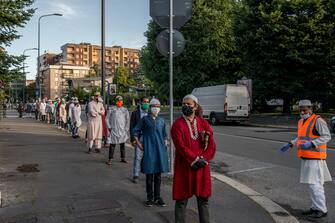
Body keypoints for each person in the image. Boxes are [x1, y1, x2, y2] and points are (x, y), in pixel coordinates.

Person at [280, 100, 332, 219]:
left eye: (305, 109)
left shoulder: (318, 120)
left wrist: (312, 144)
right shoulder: (301, 121)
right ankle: (315, 207)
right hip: (306, 157)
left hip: (315, 158)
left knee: (315, 185)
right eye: (301, 109)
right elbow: (301, 136)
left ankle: (322, 210)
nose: (302, 112)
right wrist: (291, 143)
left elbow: (327, 136)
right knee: (311, 184)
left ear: (311, 109)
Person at [171, 94, 216, 223]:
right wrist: (194, 159)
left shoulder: (203, 123)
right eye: (183, 104)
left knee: (203, 200)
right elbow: (180, 146)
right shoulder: (177, 125)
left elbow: (212, 144)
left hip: (202, 167)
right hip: (184, 166)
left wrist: (204, 159)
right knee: (181, 200)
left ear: (195, 106)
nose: (185, 106)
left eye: (188, 104)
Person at [133, 98, 169, 207]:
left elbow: (164, 135)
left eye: (158, 106)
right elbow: (135, 131)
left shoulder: (161, 121)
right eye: (154, 106)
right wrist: (139, 144)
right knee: (149, 176)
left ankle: (157, 197)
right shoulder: (144, 120)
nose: (156, 108)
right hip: (148, 150)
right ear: (150, 107)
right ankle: (150, 197)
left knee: (158, 176)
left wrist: (165, 143)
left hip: (159, 151)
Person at [130, 97, 150, 183]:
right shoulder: (135, 113)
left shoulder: (150, 113)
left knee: (149, 157)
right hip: (138, 138)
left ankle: (149, 174)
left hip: (148, 138)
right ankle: (136, 175)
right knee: (137, 157)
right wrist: (132, 139)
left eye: (147, 102)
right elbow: (132, 127)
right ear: (141, 103)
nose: (146, 103)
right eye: (144, 102)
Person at [106, 95, 130, 165]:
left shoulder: (125, 110)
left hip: (122, 130)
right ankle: (110, 159)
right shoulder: (112, 109)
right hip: (114, 130)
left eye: (121, 100)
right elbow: (106, 118)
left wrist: (126, 129)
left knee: (122, 144)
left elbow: (127, 120)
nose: (120, 101)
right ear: (116, 101)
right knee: (112, 145)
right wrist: (109, 127)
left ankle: (123, 158)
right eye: (118, 100)